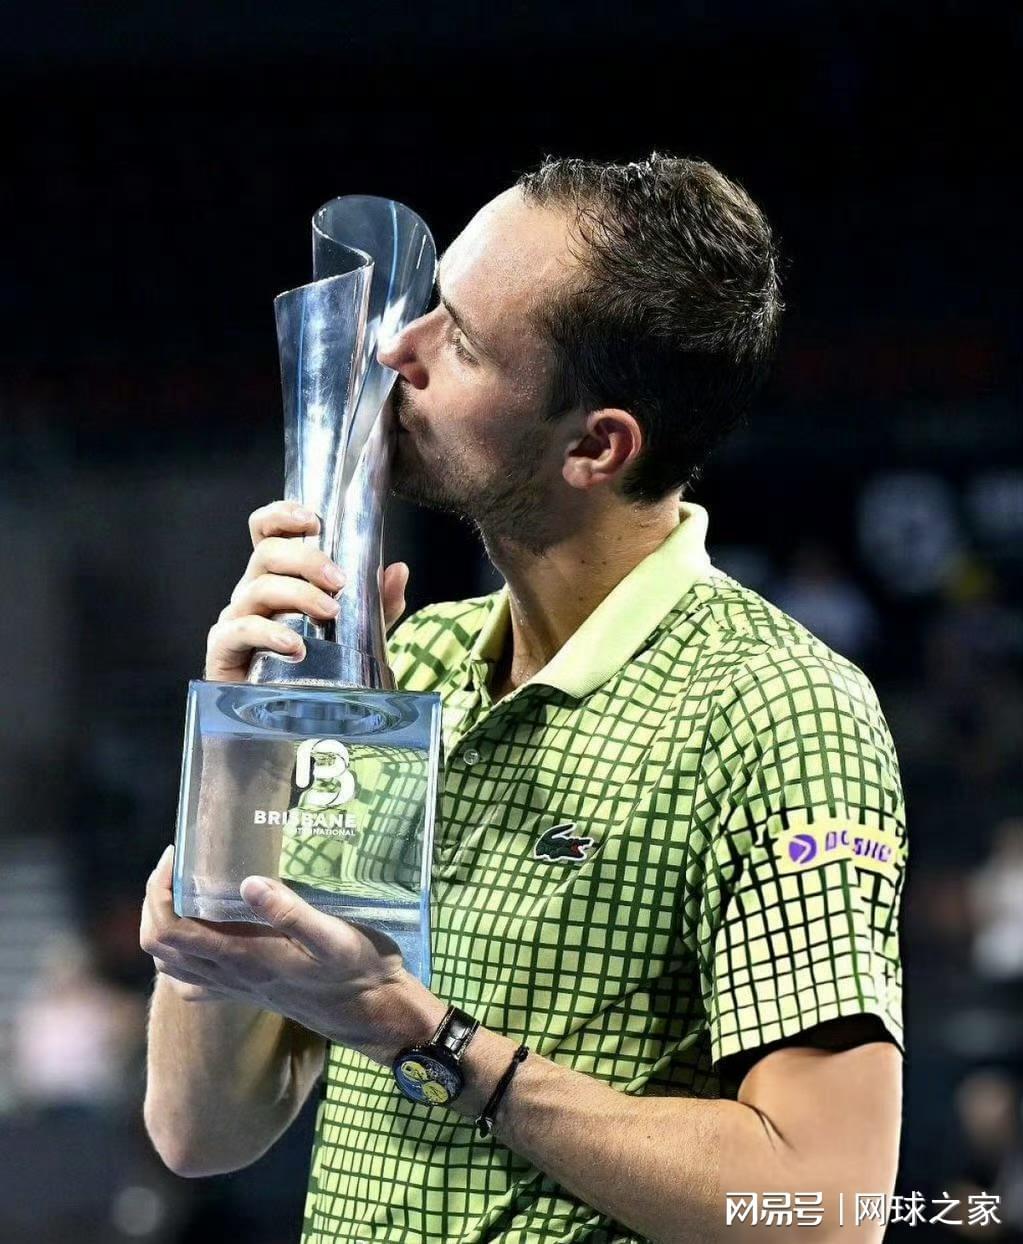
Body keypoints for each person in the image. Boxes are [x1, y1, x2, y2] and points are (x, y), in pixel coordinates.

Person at [141, 154, 907, 1244]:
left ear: (595, 445)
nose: (395, 349)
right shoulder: (410, 665)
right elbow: (198, 1131)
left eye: (457, 340)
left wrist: (427, 1037)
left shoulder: (777, 712)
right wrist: (244, 754)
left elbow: (828, 1205)